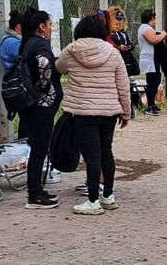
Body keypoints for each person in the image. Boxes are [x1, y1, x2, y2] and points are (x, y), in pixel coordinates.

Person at [56, 15, 131, 215]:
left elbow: (59, 67)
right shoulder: (113, 52)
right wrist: (126, 112)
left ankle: (92, 201)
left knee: (91, 156)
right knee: (106, 151)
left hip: (83, 112)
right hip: (109, 112)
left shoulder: (71, 50)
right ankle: (108, 196)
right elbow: (123, 85)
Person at [19, 7, 63, 210]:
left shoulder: (27, 43)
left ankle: (37, 189)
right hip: (41, 106)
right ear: (42, 26)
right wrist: (44, 86)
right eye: (50, 25)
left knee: (37, 148)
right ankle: (34, 195)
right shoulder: (40, 45)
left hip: (31, 105)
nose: (51, 28)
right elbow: (44, 64)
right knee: (39, 150)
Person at [107, 7, 140, 117]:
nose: (119, 22)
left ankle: (129, 106)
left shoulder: (124, 33)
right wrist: (118, 47)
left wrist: (129, 46)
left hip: (126, 61)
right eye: (117, 19)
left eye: (122, 19)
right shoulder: (109, 34)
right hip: (115, 62)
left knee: (127, 85)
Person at [138, 9, 167, 116]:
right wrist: (162, 34)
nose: (155, 21)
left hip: (154, 59)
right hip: (149, 59)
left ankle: (152, 103)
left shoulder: (147, 28)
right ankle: (149, 105)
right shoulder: (145, 28)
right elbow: (153, 39)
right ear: (151, 19)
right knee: (152, 82)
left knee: (156, 80)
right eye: (154, 19)